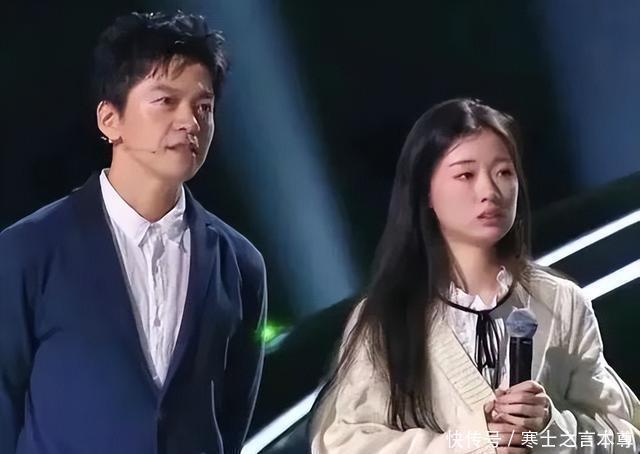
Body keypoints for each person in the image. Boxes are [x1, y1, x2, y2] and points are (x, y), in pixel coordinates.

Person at [0, 11, 267, 454]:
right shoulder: (27, 251)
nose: (190, 122)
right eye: (165, 101)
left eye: (203, 107)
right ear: (110, 120)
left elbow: (231, 416)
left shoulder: (239, 265)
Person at [310, 98, 640, 453]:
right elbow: (345, 444)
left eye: (504, 173)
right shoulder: (387, 316)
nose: (489, 192)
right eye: (465, 175)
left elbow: (626, 437)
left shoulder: (561, 302)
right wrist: (476, 440)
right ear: (426, 191)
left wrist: (549, 427)